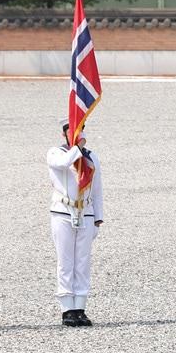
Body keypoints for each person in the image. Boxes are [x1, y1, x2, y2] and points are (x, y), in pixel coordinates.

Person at [48, 122, 104, 328]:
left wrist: (98, 218)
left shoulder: (91, 157)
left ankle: (80, 307)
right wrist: (77, 148)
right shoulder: (56, 153)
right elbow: (64, 163)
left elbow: (97, 189)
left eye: (81, 129)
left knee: (82, 261)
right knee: (65, 261)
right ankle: (67, 309)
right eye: (72, 130)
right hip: (63, 212)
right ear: (64, 133)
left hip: (85, 212)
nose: (77, 133)